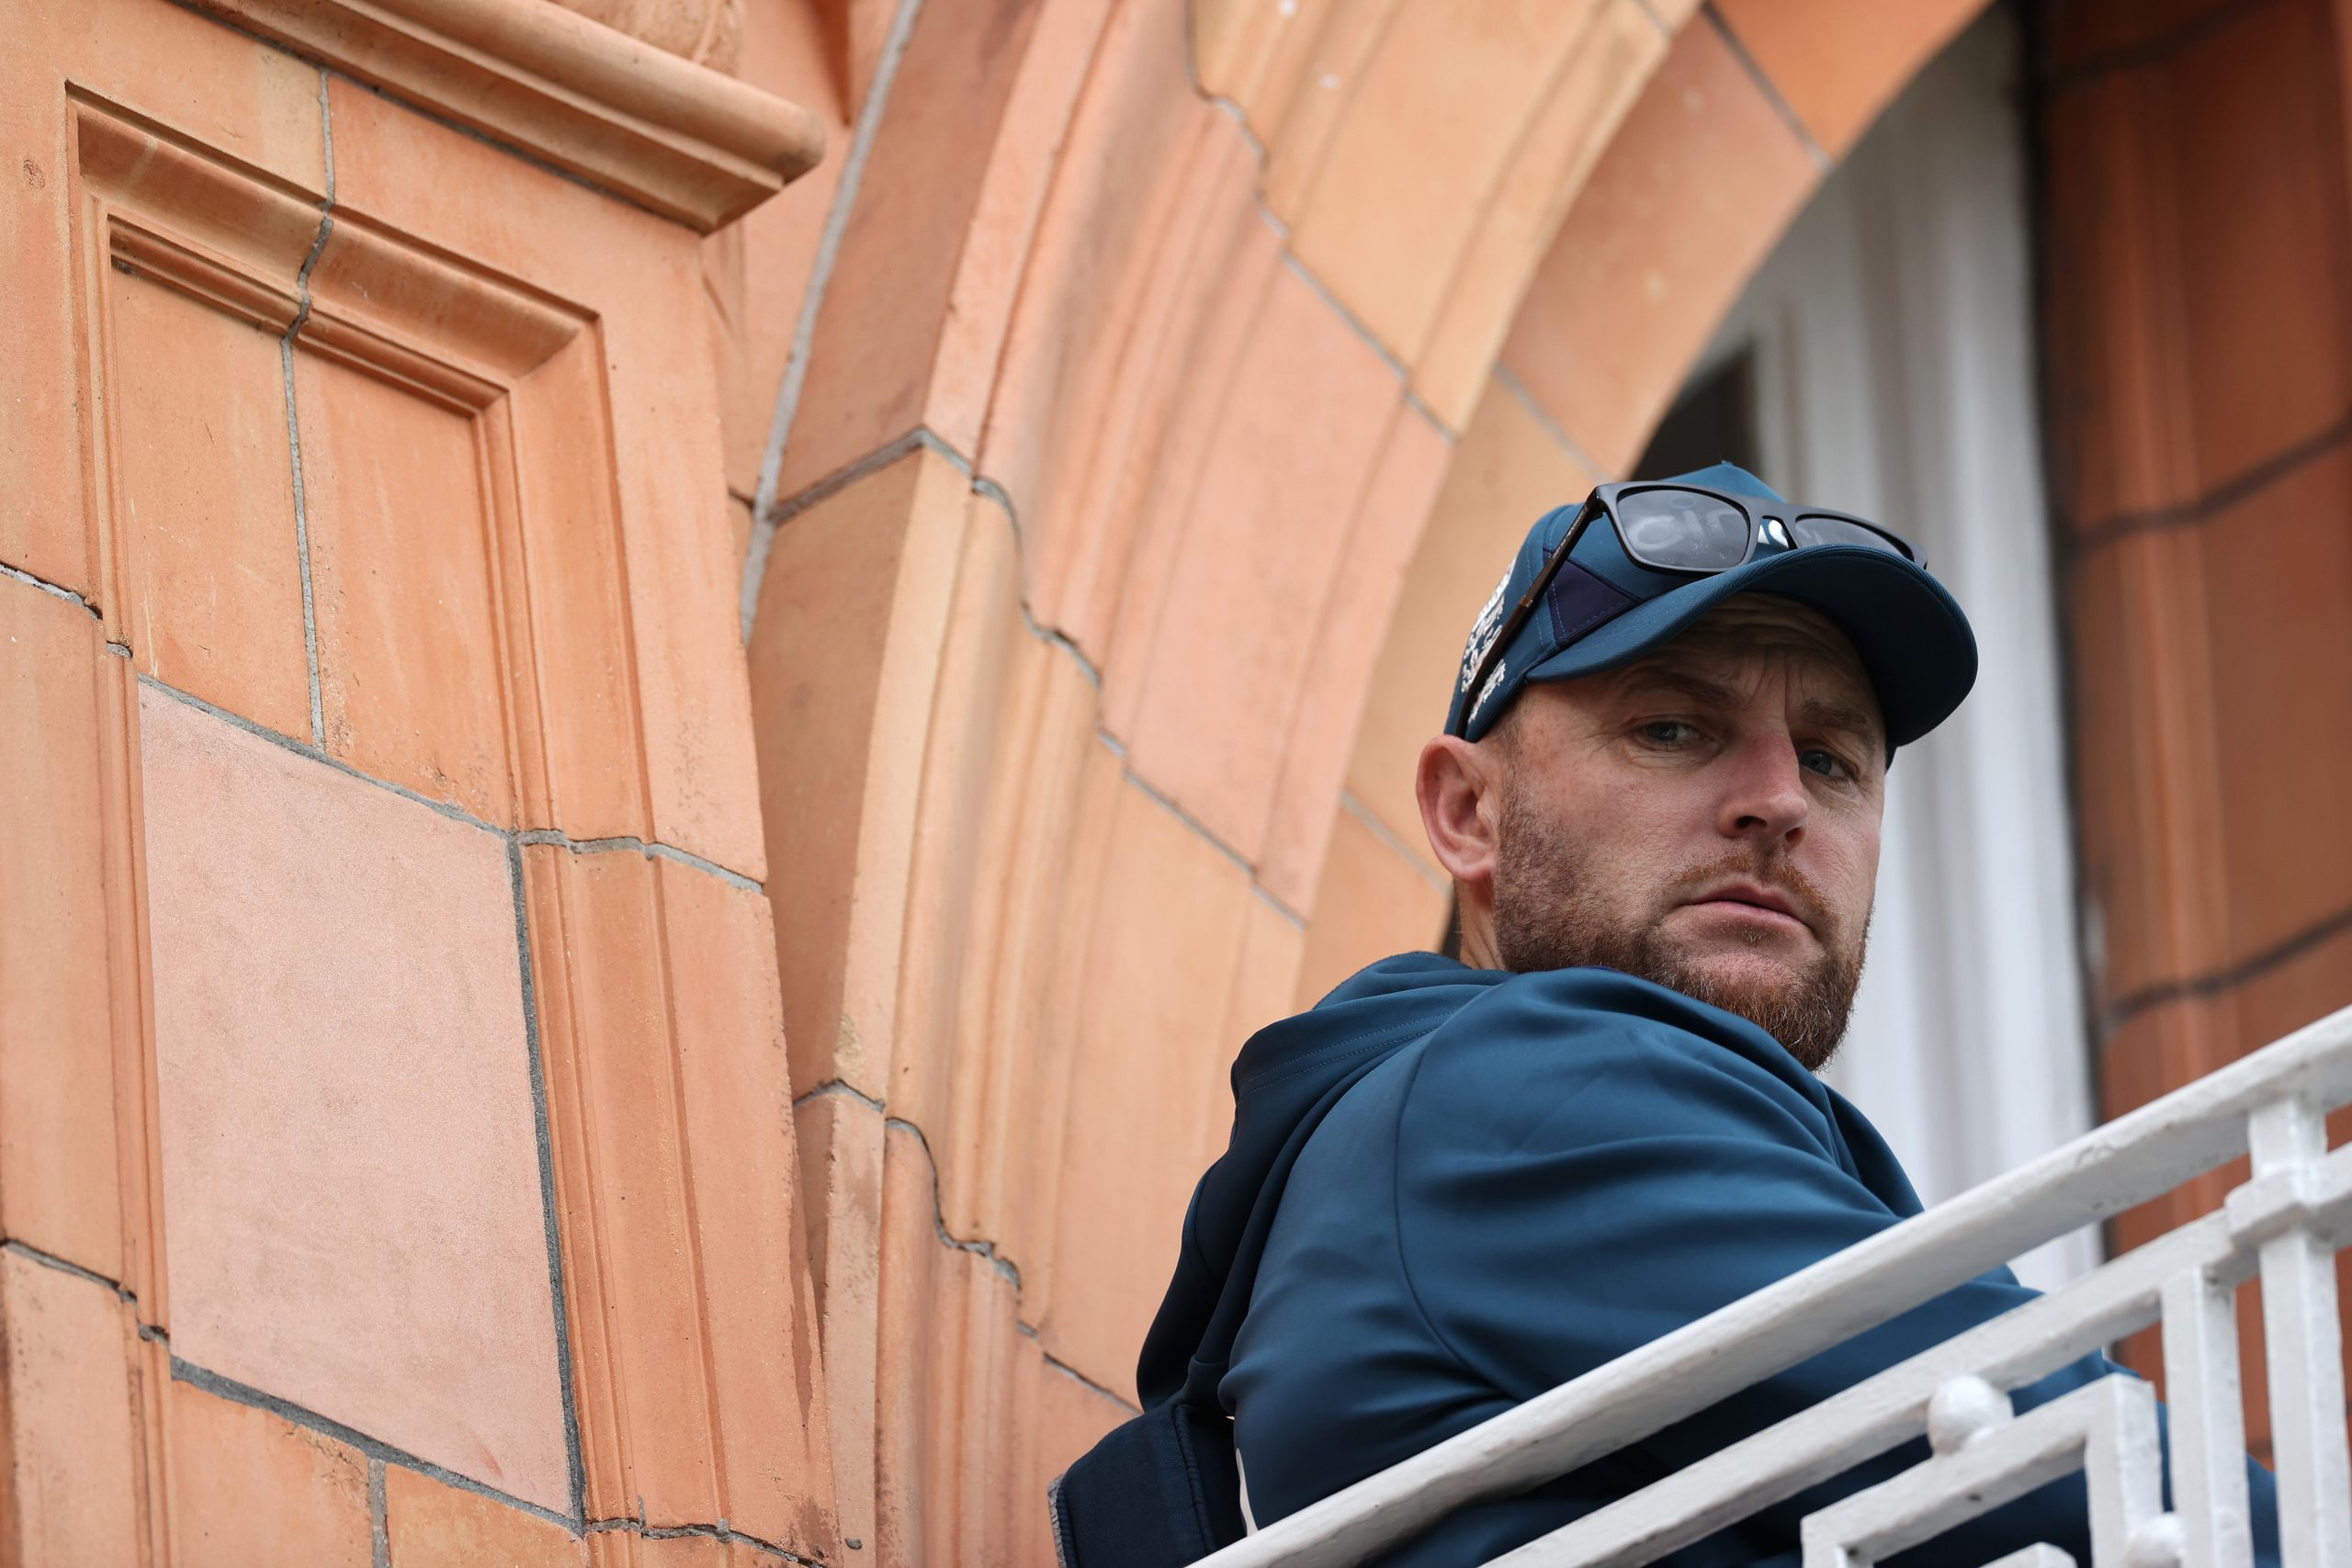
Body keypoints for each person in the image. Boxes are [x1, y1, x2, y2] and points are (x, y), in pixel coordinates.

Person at [1104, 465, 2281, 1565]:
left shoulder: (1433, 1136)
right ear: (1468, 811)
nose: (1776, 802)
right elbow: (2082, 1458)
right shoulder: (1515, 1094)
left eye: (1829, 760)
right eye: (1671, 729)